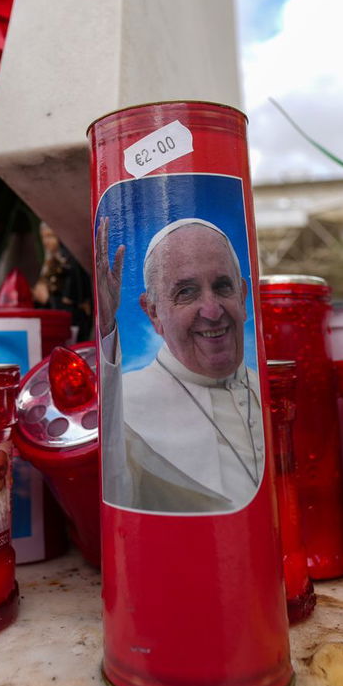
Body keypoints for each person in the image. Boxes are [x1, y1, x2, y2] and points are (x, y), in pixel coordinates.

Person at [98, 217, 265, 513]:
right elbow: (118, 502)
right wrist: (106, 328)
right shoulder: (125, 404)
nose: (213, 312)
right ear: (153, 313)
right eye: (186, 292)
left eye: (223, 287)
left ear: (243, 295)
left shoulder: (269, 388)